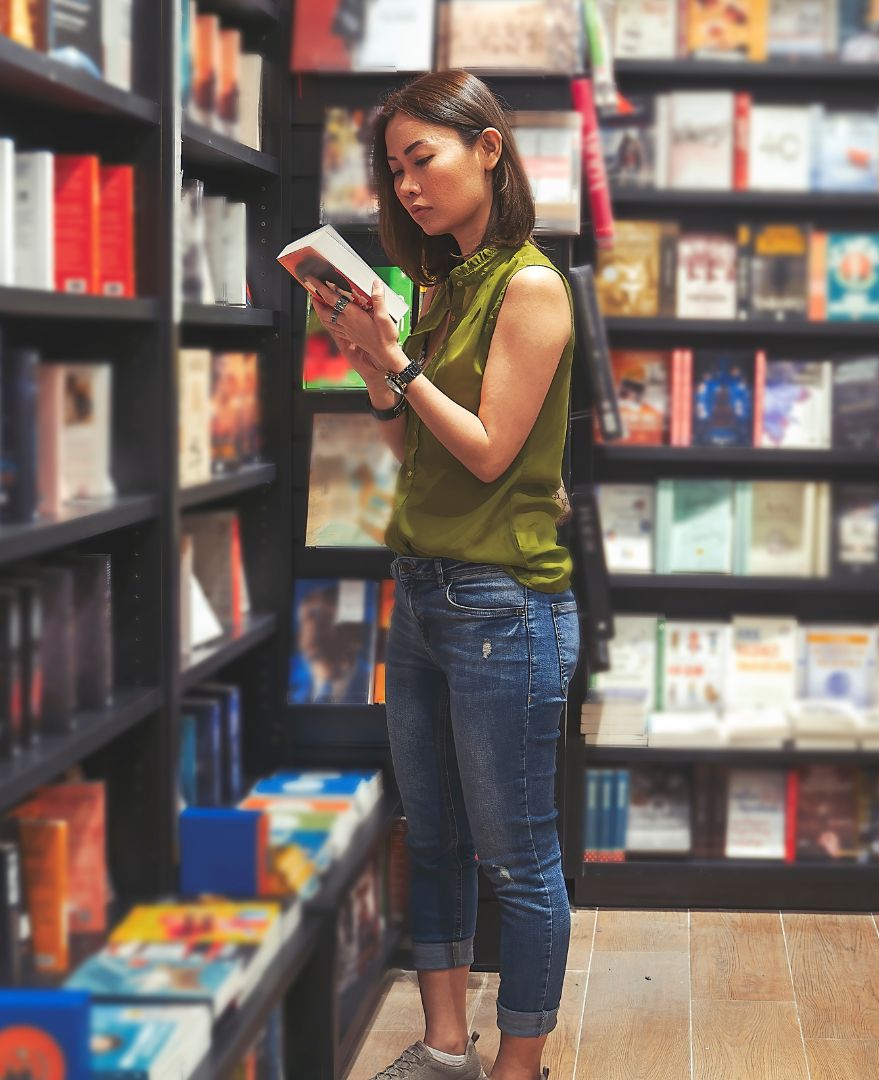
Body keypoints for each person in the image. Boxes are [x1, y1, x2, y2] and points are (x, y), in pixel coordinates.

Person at [305, 70, 578, 1080]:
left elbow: (489, 451)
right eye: (394, 169)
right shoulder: (445, 282)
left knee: (518, 856)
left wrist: (400, 363)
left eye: (425, 159)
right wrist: (370, 356)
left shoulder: (532, 285)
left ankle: (519, 1066)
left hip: (504, 601)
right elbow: (403, 440)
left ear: (490, 151)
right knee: (431, 834)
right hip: (422, 588)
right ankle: (443, 1045)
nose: (407, 185)